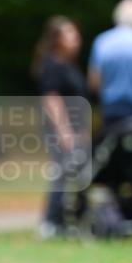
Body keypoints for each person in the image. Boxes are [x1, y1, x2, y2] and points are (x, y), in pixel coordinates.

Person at [88, 0, 132, 223]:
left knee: (110, 160)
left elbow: (94, 81)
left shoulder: (102, 42)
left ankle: (113, 209)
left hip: (111, 113)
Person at [31, 16, 88, 237]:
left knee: (77, 173)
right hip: (61, 131)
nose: (76, 38)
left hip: (75, 130)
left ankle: (72, 218)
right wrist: (64, 130)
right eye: (70, 34)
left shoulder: (68, 65)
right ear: (57, 40)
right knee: (62, 172)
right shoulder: (53, 65)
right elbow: (51, 98)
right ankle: (50, 222)